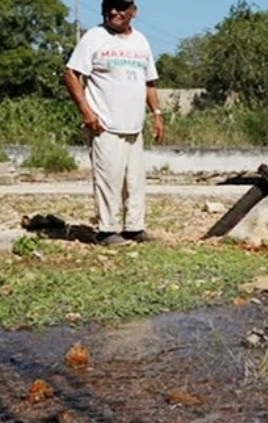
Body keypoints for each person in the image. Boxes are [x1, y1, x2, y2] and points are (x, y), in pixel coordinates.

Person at [64, 0, 165, 246]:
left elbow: (148, 82)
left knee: (135, 181)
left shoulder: (141, 41)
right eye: (108, 6)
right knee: (108, 180)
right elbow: (71, 74)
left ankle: (134, 228)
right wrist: (87, 113)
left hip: (134, 125)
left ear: (133, 11)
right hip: (104, 125)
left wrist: (157, 113)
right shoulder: (94, 37)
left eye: (120, 7)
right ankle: (106, 230)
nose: (113, 12)